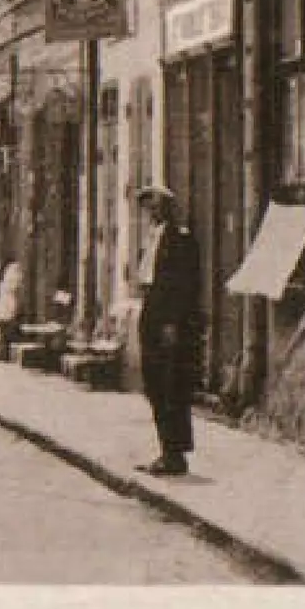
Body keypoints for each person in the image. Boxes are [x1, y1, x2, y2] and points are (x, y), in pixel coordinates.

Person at [133, 185, 204, 478]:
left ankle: (174, 455)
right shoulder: (152, 238)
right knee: (153, 385)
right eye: (148, 206)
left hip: (168, 321)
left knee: (170, 386)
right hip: (152, 312)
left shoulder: (180, 238)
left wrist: (172, 323)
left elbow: (185, 284)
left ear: (167, 207)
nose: (151, 211)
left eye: (156, 205)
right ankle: (167, 451)